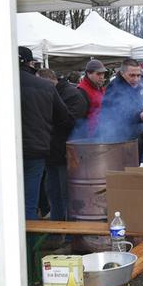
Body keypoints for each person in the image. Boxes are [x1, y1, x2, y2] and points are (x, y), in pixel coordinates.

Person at [0, 47, 73, 282]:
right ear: (30, 64)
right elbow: (63, 116)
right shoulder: (45, 86)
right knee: (27, 207)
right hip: (32, 152)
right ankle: (23, 262)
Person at [36, 69, 87, 225]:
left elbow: (72, 121)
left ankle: (71, 234)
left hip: (67, 152)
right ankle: (56, 231)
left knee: (68, 195)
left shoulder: (72, 94)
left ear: (49, 81)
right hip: (51, 151)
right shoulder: (50, 93)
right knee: (53, 193)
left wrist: (47, 119)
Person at [99, 59, 143, 157]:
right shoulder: (114, 89)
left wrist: (142, 116)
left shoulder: (133, 87)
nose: (136, 79)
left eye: (138, 75)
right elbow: (119, 120)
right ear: (122, 73)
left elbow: (133, 111)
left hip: (134, 140)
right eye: (132, 75)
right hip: (120, 143)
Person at [76, 59, 107, 135]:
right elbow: (80, 119)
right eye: (98, 74)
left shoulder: (100, 88)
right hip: (90, 135)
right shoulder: (81, 91)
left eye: (103, 74)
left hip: (102, 131)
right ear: (88, 73)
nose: (101, 77)